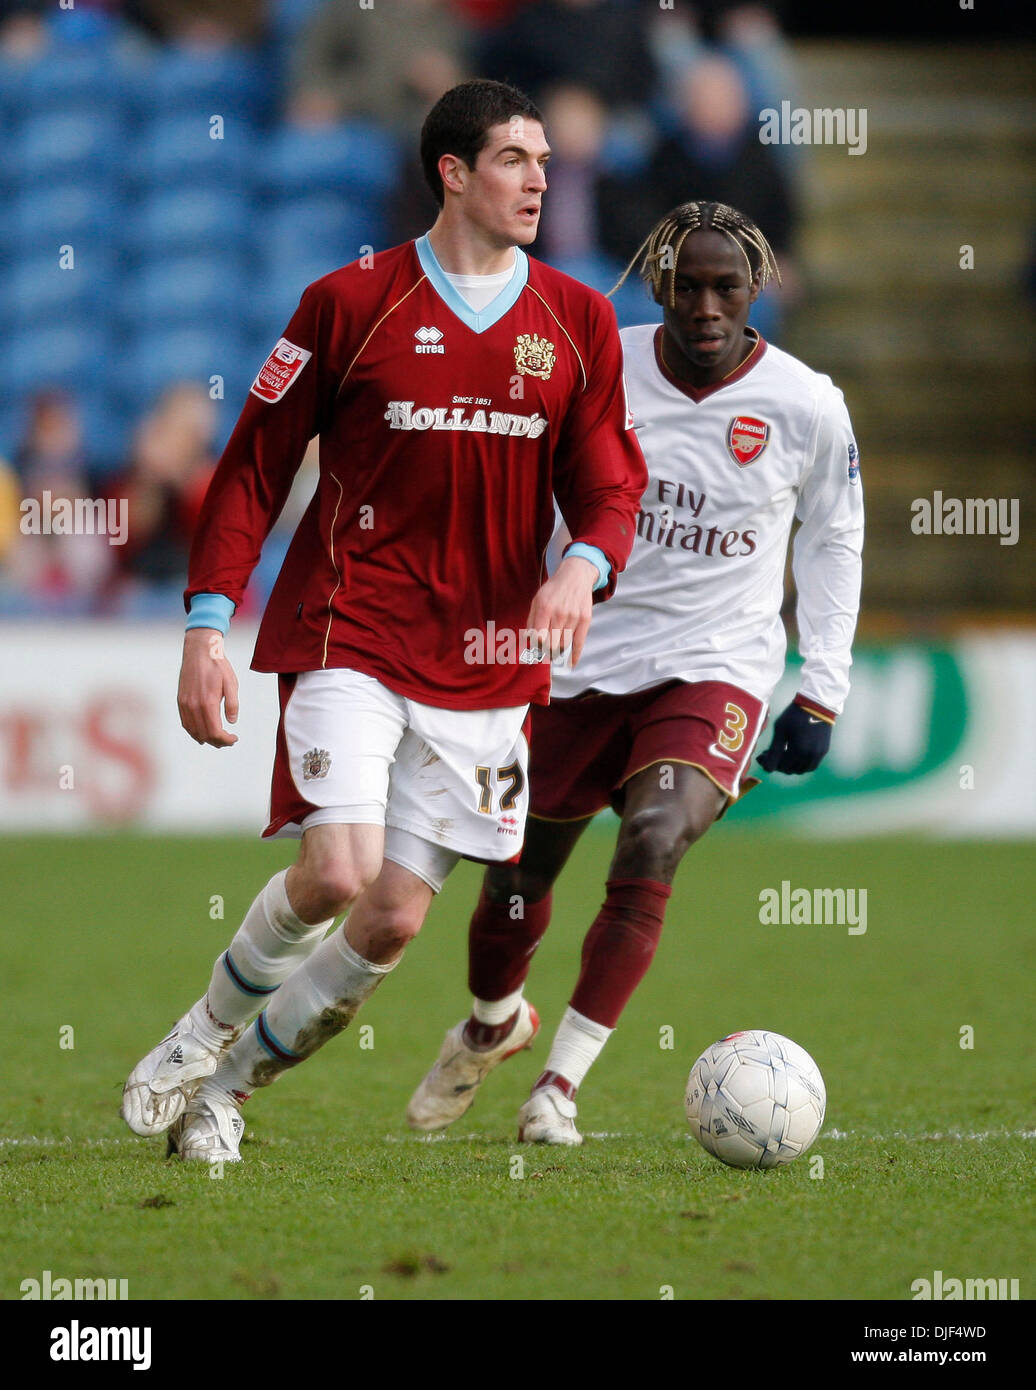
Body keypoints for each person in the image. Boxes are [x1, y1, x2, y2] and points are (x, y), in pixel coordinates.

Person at [120, 78, 647, 1162]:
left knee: (396, 920)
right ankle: (200, 1030)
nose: (540, 177)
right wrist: (206, 624)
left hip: (492, 658)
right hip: (348, 623)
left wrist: (581, 567)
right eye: (513, 158)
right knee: (336, 871)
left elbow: (609, 483)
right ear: (451, 173)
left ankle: (228, 1092)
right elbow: (252, 469)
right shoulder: (349, 303)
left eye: (546, 159)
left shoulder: (578, 318)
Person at [407, 199, 864, 1144]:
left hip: (714, 668)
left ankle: (558, 1089)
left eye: (726, 288)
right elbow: (516, 487)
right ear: (659, 287)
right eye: (687, 288)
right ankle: (495, 1023)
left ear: (756, 291)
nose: (706, 308)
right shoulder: (600, 363)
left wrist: (822, 684)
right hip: (576, 667)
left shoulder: (807, 404)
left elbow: (834, 540)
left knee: (655, 837)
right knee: (517, 881)